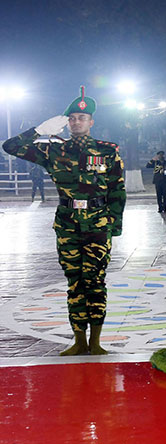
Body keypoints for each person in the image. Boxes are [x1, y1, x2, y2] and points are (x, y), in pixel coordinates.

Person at [3, 86, 126, 355]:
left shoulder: (106, 151)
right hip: (68, 225)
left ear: (91, 122)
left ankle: (96, 341)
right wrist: (38, 131)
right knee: (74, 282)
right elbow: (10, 146)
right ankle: (78, 340)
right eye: (71, 118)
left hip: (97, 225)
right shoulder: (54, 151)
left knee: (95, 281)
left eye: (81, 118)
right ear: (66, 122)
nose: (76, 122)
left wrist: (113, 225)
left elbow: (117, 189)